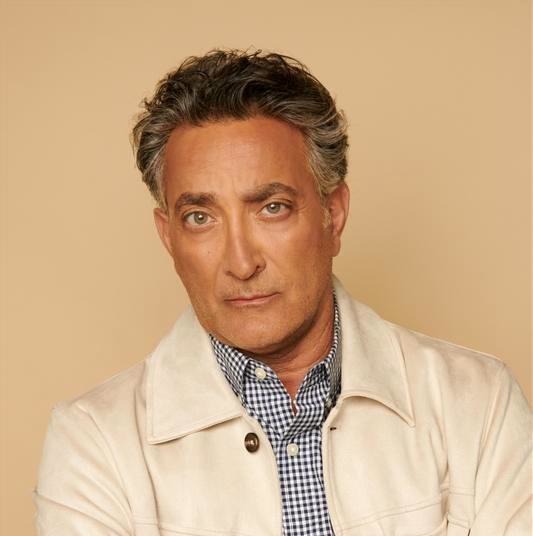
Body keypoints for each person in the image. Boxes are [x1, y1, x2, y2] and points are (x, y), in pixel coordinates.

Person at [34, 49, 531, 536]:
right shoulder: (93, 441)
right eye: (200, 218)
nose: (241, 263)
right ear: (169, 237)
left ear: (333, 214)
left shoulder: (479, 402)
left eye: (272, 208)